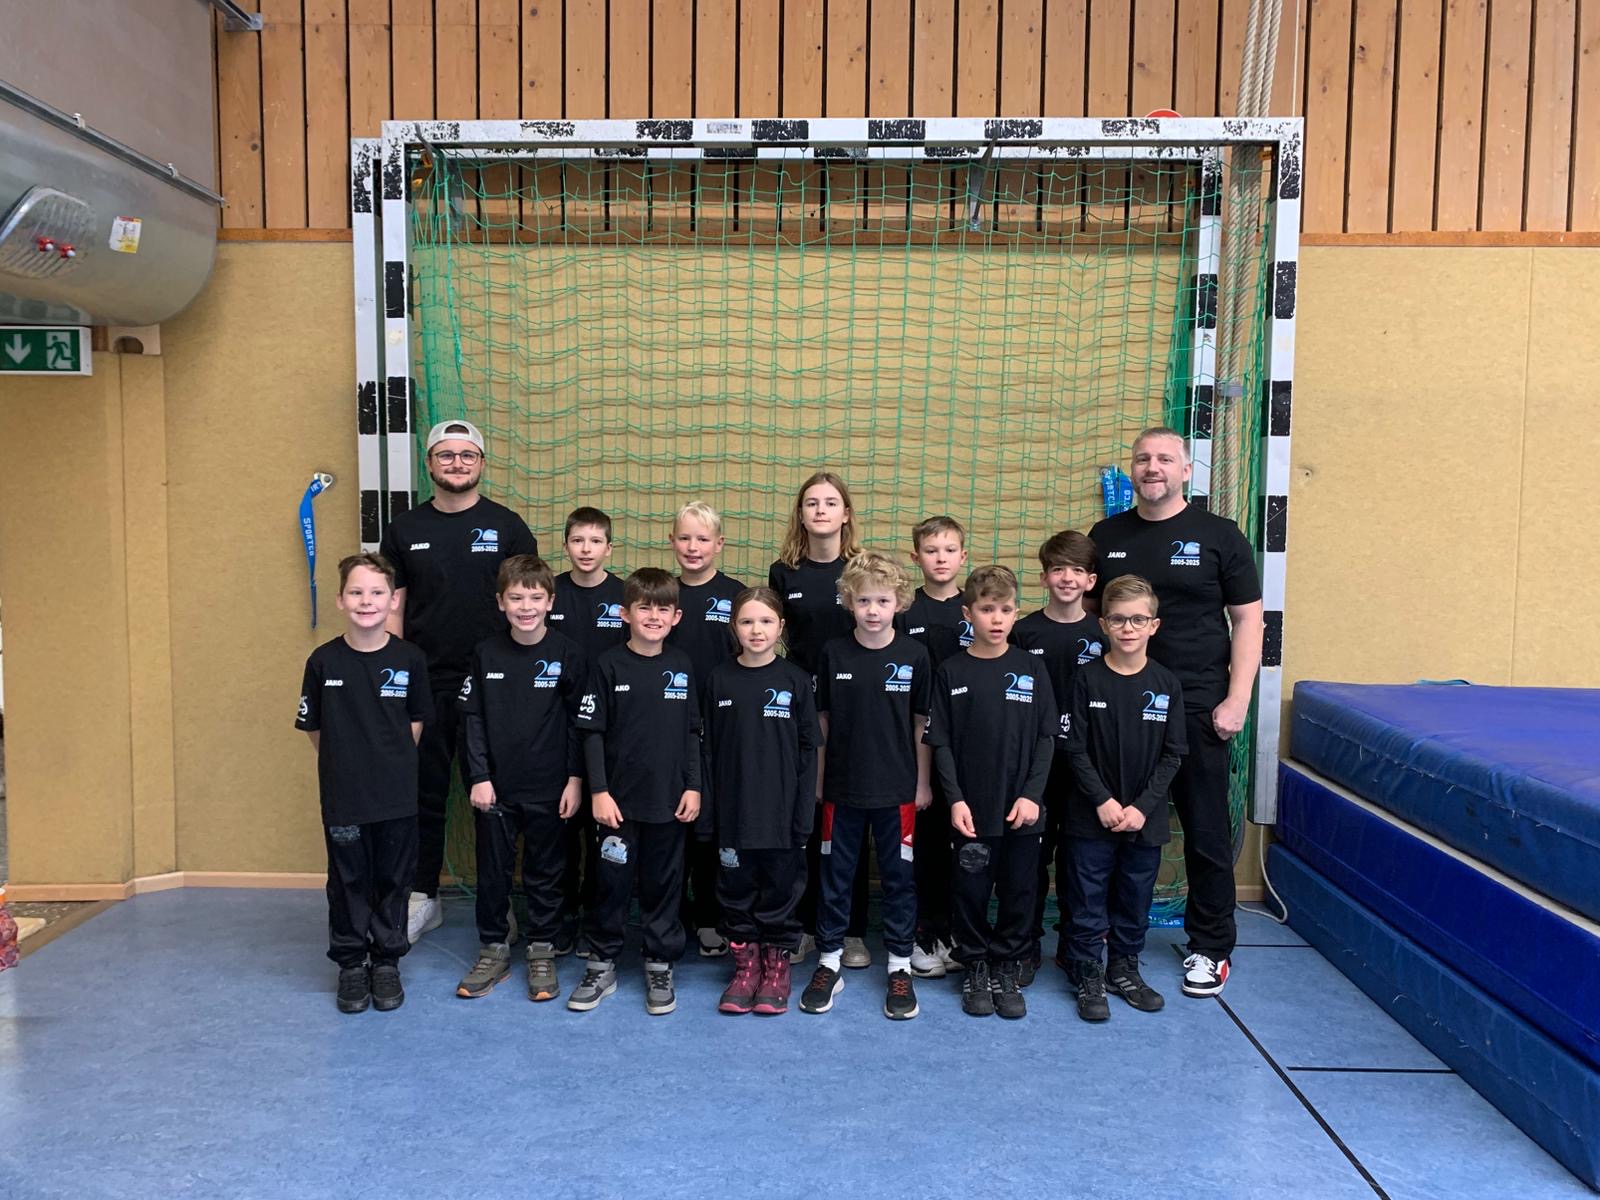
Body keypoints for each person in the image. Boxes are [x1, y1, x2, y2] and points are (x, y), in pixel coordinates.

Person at [1088, 427, 1263, 998]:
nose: (1152, 467)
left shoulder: (1220, 535)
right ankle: (1097, 939)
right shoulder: (1107, 536)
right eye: (1143, 459)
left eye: (1165, 458)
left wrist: (1237, 699)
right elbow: (1087, 616)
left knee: (1204, 830)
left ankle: (1211, 947)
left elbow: (1250, 620)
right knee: (1107, 824)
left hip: (1196, 705)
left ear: (1186, 470)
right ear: (1133, 470)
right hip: (1118, 711)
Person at [378, 419, 538, 943]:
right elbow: (394, 609)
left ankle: (498, 903)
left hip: (495, 690)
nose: (456, 463)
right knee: (421, 795)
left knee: (497, 801)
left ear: (481, 464)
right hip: (427, 685)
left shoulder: (508, 527)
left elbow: (528, 607)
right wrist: (398, 683)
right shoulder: (404, 530)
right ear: (429, 463)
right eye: (445, 455)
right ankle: (421, 896)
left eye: (467, 455)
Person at [296, 553, 433, 1014]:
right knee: (348, 880)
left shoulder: (410, 659)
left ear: (393, 600)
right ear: (340, 600)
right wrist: (347, 765)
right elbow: (316, 729)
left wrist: (388, 766)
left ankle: (387, 960)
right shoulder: (323, 661)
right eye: (356, 592)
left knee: (394, 879)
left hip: (397, 796)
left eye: (377, 592)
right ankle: (352, 963)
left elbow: (415, 724)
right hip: (344, 796)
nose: (366, 601)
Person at [802, 552, 932, 1020]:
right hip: (842, 789)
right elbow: (822, 720)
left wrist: (922, 783)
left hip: (897, 792)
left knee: (899, 880)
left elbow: (921, 724)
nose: (872, 610)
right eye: (863, 601)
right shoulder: (834, 653)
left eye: (882, 600)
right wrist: (819, 779)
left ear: (900, 602)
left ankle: (899, 966)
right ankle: (829, 961)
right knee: (836, 877)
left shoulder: (914, 655)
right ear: (848, 602)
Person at [923, 566, 1056, 1019]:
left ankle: (1007, 965)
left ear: (1016, 613)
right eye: (986, 610)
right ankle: (976, 964)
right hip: (971, 811)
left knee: (1019, 890)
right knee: (970, 891)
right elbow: (940, 742)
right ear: (968, 614)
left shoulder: (1032, 668)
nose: (996, 619)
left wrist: (1032, 796)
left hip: (1022, 809)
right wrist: (956, 799)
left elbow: (1046, 739)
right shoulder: (950, 671)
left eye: (1005, 609)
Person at [569, 569, 702, 1014]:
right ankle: (602, 961)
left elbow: (692, 733)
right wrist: (599, 792)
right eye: (644, 607)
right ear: (625, 614)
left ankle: (659, 961)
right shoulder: (607, 665)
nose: (653, 616)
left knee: (664, 884)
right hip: (617, 805)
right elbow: (591, 734)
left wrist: (693, 787)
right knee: (611, 883)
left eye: (663, 609)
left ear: (676, 617)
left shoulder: (682, 666)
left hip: (669, 802)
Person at [454, 555, 586, 1002]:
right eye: (515, 598)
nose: (525, 607)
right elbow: (472, 720)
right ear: (500, 602)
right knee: (493, 872)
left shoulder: (568, 654)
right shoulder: (486, 653)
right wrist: (479, 776)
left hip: (551, 787)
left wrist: (574, 779)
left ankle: (542, 948)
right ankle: (493, 948)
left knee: (546, 872)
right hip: (496, 789)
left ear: (550, 601)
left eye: (534, 598)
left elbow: (578, 725)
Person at [1063, 575, 1187, 1021]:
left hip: (1143, 819)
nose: (1128, 628)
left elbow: (1173, 755)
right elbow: (1074, 749)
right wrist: (1102, 800)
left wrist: (1141, 807)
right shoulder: (1086, 680)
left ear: (1154, 625)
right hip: (1090, 816)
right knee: (1087, 898)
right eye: (1118, 619)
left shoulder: (1166, 683)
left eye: (1138, 619)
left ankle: (1123, 967)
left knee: (1135, 897)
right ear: (1103, 624)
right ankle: (1087, 971)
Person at [701, 588, 820, 1015]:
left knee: (781, 893)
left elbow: (809, 754)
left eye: (766, 621)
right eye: (747, 621)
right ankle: (745, 969)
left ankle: (775, 971)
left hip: (782, 817)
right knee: (735, 891)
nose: (756, 630)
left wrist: (803, 814)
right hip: (733, 815)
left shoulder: (796, 681)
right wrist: (709, 814)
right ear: (733, 627)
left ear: (780, 627)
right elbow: (707, 752)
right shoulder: (718, 679)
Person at [767, 472, 868, 966]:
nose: (821, 510)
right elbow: (778, 637)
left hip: (855, 705)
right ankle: (805, 926)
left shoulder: (860, 570)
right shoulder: (783, 572)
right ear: (801, 514)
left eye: (831, 502)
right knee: (806, 812)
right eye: (812, 503)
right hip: (802, 706)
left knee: (852, 811)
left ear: (846, 514)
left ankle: (852, 930)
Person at [1009, 529, 1102, 982]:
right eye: (1058, 569)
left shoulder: (1103, 632)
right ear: (1044, 576)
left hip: (1086, 766)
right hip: (1035, 767)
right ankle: (1024, 945)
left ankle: (1075, 948)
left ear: (1091, 581)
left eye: (1077, 570)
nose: (1067, 578)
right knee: (1030, 858)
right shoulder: (1024, 632)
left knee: (1079, 860)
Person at [664, 501, 745, 959]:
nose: (693, 547)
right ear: (672, 542)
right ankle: (673, 916)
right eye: (684, 537)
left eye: (702, 538)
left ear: (719, 544)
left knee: (713, 827)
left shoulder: (736, 596)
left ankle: (713, 916)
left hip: (721, 729)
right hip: (669, 729)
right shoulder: (663, 595)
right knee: (673, 824)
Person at [548, 506, 626, 956]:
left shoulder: (623, 597)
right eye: (578, 540)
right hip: (555, 730)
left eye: (595, 541)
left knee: (603, 833)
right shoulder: (550, 593)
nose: (586, 549)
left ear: (609, 548)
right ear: (566, 546)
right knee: (562, 831)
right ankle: (562, 918)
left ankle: (599, 918)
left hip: (607, 734)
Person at [899, 515, 970, 980]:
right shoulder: (905, 613)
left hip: (968, 751)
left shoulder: (975, 611)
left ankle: (956, 932)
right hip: (918, 748)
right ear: (916, 557)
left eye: (949, 550)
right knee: (924, 846)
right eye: (931, 550)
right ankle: (924, 933)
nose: (940, 559)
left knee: (964, 845)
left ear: (963, 556)